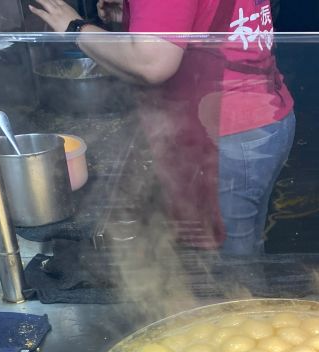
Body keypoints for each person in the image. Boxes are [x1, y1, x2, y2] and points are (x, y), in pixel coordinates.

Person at [28, 0, 295, 256]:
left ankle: (240, 288)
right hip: (264, 118)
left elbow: (153, 63)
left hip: (229, 133)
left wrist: (75, 28)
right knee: (247, 248)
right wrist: (144, 17)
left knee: (231, 265)